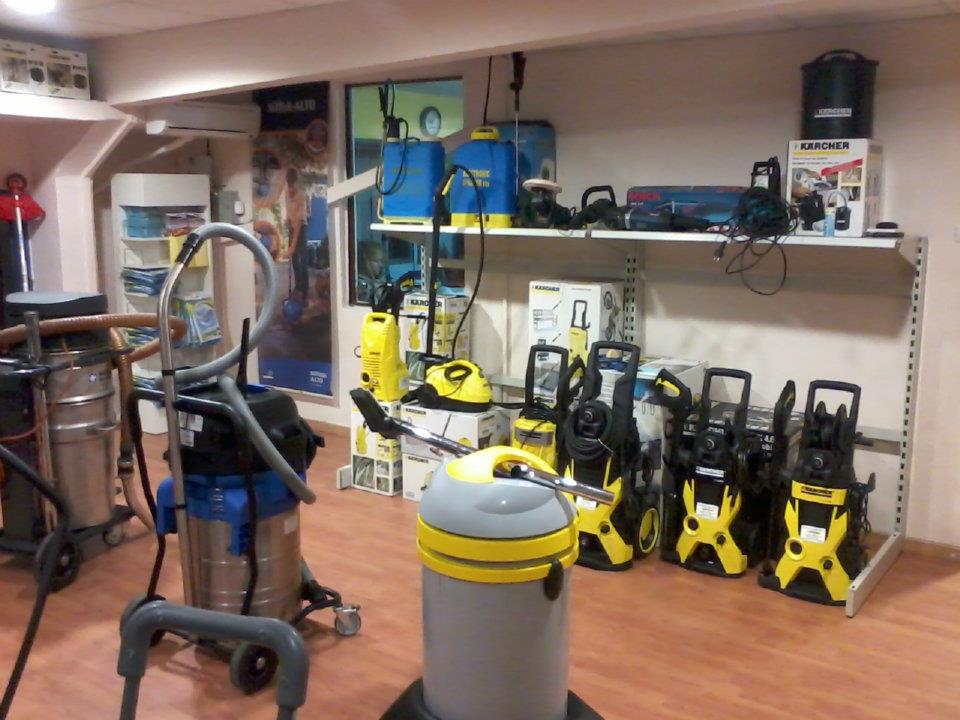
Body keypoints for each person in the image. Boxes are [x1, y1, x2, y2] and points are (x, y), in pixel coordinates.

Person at [281, 167, 310, 302]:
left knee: (302, 260)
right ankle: (298, 287)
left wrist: (292, 247)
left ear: (296, 182)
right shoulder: (287, 193)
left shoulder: (301, 196)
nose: (290, 187)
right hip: (292, 227)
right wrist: (287, 220)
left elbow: (298, 223)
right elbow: (289, 212)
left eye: (292, 184)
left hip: (301, 228)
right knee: (294, 261)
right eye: (289, 183)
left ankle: (304, 293)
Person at [356, 239, 390, 304]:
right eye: (376, 261)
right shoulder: (360, 285)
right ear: (365, 261)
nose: (381, 265)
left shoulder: (378, 282)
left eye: (381, 261)